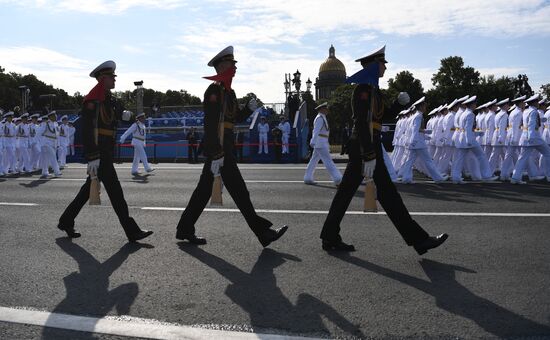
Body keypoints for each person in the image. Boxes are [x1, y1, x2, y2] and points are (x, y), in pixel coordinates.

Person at [319, 45, 448, 254]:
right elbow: (361, 123)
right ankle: (419, 240)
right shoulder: (362, 90)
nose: (385, 68)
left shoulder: (372, 90)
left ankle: (329, 235)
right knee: (387, 195)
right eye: (382, 64)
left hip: (367, 146)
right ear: (372, 65)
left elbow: (382, 116)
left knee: (351, 194)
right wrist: (369, 155)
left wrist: (398, 104)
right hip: (364, 147)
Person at [175, 46, 287, 246]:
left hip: (223, 147)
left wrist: (247, 109)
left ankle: (184, 228)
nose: (235, 67)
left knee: (203, 192)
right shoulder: (214, 91)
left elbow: (233, 119)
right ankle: (263, 233)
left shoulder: (229, 92)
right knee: (240, 191)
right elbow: (210, 124)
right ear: (221, 67)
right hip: (219, 149)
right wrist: (217, 153)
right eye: (231, 64)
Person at [57, 60, 153, 242]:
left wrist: (128, 115)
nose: (114, 80)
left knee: (87, 190)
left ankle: (66, 220)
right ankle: (131, 231)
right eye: (111, 77)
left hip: (107, 150)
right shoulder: (92, 102)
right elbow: (87, 130)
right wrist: (92, 156)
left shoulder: (110, 101)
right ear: (102, 79)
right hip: (99, 152)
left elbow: (121, 117)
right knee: (116, 192)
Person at [511, 95, 550, 184]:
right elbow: (531, 125)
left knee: (522, 158)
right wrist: (531, 137)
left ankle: (515, 178)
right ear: (534, 103)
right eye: (537, 102)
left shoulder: (526, 111)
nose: (538, 103)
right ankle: (549, 175)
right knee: (548, 153)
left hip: (526, 137)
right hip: (534, 137)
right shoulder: (533, 112)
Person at [303, 102, 343, 186]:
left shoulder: (322, 117)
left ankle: (307, 177)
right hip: (320, 143)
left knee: (313, 161)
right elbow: (316, 131)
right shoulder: (320, 118)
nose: (327, 110)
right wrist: (313, 141)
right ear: (322, 109)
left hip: (321, 142)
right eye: (326, 108)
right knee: (328, 161)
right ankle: (338, 179)